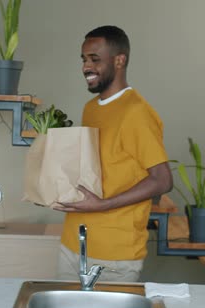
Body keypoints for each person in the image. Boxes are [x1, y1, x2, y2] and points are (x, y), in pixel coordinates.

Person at [54, 25, 173, 282]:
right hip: (73, 244)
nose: (86, 67)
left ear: (120, 60)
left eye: (95, 59)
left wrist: (102, 205)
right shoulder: (90, 108)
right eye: (84, 59)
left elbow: (162, 180)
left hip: (114, 257)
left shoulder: (137, 113)